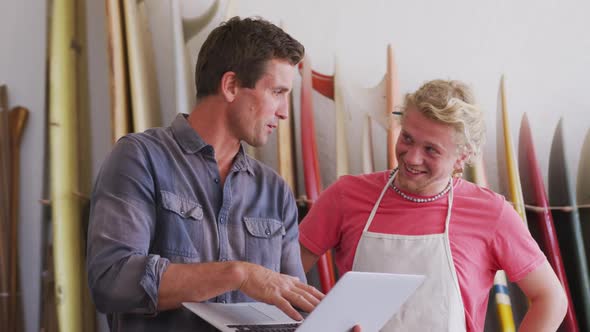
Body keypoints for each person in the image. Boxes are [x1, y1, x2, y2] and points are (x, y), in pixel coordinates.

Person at [86, 17, 324, 331]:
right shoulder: (140, 159)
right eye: (277, 92)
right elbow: (111, 279)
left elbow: (295, 308)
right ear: (231, 86)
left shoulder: (276, 191)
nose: (283, 111)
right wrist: (238, 275)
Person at [298, 79, 568, 331]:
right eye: (407, 138)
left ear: (462, 157)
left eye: (431, 150)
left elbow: (551, 298)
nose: (412, 158)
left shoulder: (492, 213)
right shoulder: (346, 196)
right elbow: (285, 279)